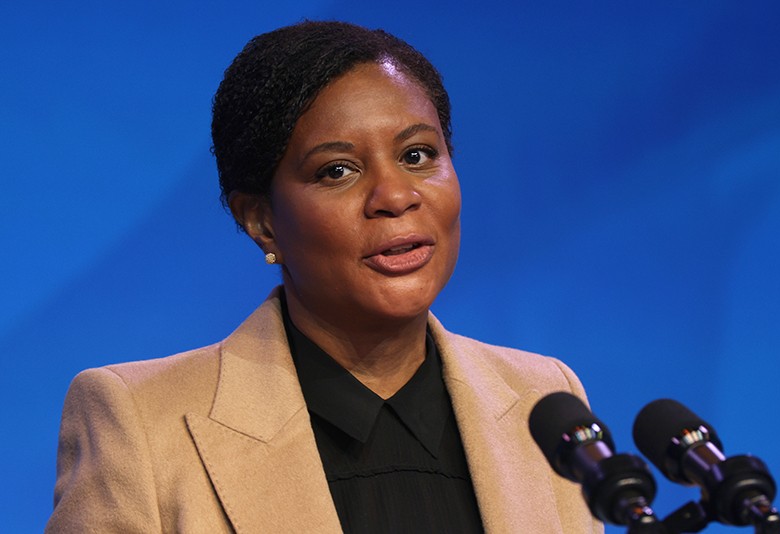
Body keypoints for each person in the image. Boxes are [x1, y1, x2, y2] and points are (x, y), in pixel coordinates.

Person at [47, 20, 602, 533]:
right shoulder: (140, 423)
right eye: (337, 170)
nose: (396, 196)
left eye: (417, 154)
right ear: (261, 220)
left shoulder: (544, 399)